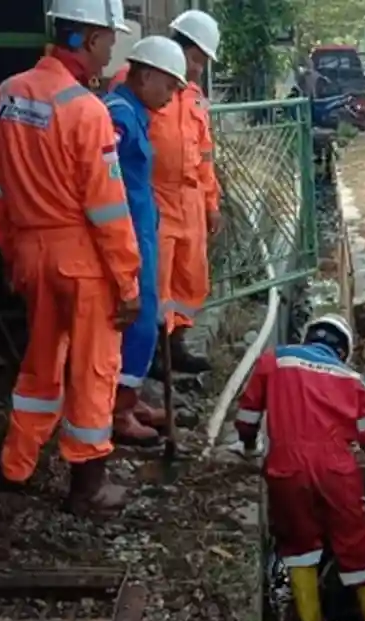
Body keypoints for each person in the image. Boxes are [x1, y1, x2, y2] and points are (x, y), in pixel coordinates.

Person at [0, 0, 141, 515]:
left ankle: (16, 466)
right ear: (88, 38)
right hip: (82, 257)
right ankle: (87, 486)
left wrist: (13, 254)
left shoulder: (6, 95)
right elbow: (108, 208)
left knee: (40, 363)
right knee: (94, 369)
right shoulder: (86, 110)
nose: (111, 51)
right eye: (108, 40)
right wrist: (128, 283)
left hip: (31, 250)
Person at [234, 314, 365, 621]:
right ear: (343, 350)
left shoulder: (275, 359)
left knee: (299, 547)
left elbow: (246, 419)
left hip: (285, 468)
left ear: (308, 337)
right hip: (338, 471)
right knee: (359, 552)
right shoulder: (354, 380)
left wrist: (248, 447)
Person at [104, 37, 187, 445]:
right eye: (169, 86)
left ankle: (129, 399)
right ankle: (118, 412)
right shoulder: (118, 116)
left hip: (140, 233)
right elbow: (104, 184)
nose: (171, 97)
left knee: (145, 322)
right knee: (135, 325)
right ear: (147, 75)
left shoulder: (135, 114)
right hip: (126, 238)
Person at [146, 9, 222, 375]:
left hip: (191, 199)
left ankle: (177, 346)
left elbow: (205, 152)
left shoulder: (194, 96)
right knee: (156, 280)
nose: (198, 69)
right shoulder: (147, 85)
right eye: (195, 59)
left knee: (189, 278)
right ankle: (153, 352)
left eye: (202, 62)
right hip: (156, 197)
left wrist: (211, 202)